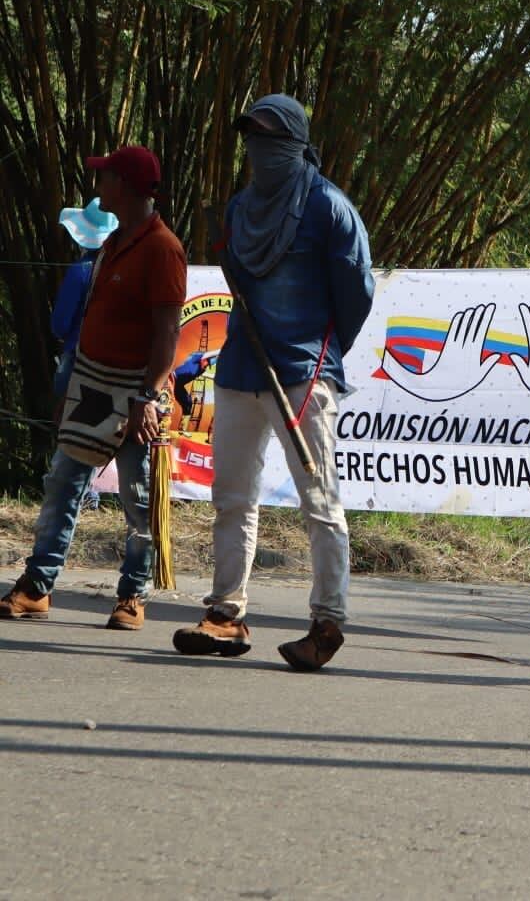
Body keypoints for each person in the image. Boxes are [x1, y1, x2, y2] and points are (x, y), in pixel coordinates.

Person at [172, 94, 374, 672]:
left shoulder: (329, 207)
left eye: (269, 139)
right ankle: (225, 615)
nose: (258, 150)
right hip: (241, 368)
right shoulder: (240, 208)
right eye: (250, 138)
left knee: (319, 499)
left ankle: (327, 622)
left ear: (295, 143)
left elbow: (356, 292)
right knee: (232, 498)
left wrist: (318, 349)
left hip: (303, 374)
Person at [0, 147, 185, 629]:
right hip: (93, 384)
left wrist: (148, 397)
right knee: (63, 483)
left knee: (139, 499)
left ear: (124, 185)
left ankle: (133, 596)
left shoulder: (162, 248)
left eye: (105, 177)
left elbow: (168, 334)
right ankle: (37, 586)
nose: (99, 185)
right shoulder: (114, 241)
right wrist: (71, 385)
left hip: (137, 394)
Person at [52, 198, 118, 510]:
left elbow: (60, 323)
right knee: (100, 427)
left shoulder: (80, 271)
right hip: (113, 363)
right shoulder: (124, 269)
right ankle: (91, 493)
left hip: (77, 357)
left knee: (69, 428)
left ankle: (76, 496)